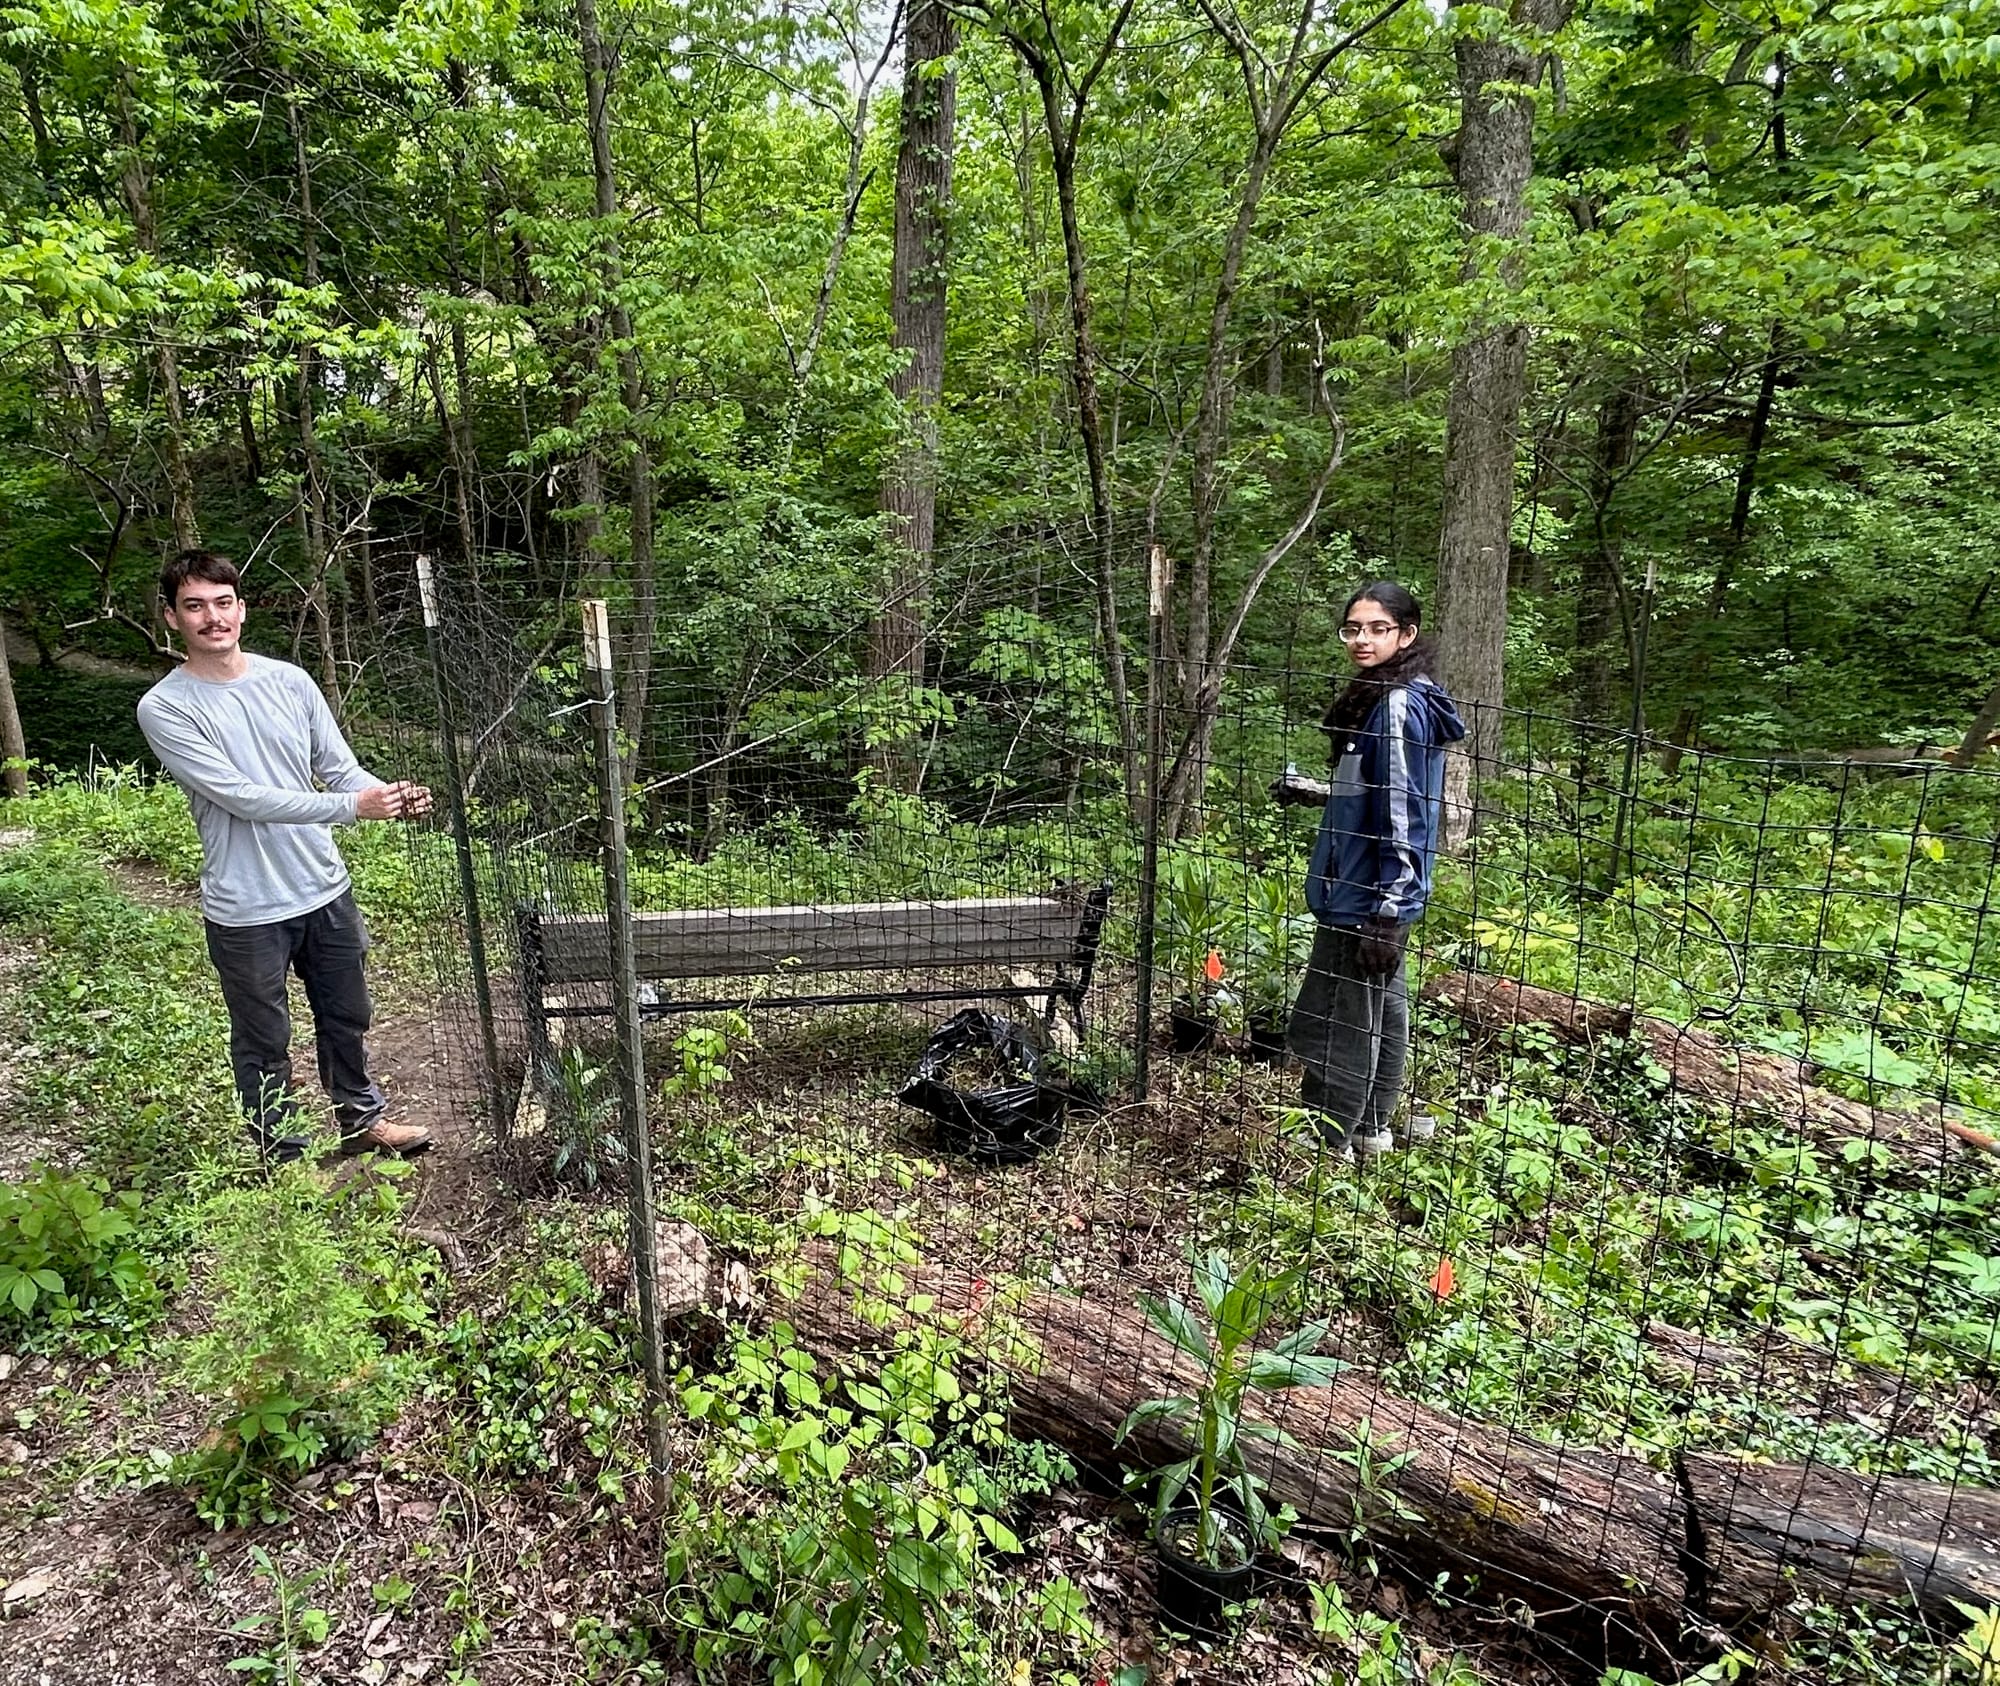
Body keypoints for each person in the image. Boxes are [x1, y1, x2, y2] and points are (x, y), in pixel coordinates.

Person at [136, 549, 434, 1165]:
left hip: (323, 887)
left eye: (223, 603)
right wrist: (353, 809)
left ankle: (362, 1120)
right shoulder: (165, 707)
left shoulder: (290, 681)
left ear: (241, 609)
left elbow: (337, 767)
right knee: (264, 1039)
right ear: (172, 618)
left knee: (347, 1015)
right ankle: (285, 1157)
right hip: (246, 907)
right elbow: (242, 798)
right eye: (194, 606)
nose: (212, 618)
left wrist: (381, 793)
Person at [1278, 582, 1464, 1161]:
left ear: (1406, 634)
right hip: (1372, 887)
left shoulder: (1398, 704)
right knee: (1382, 1005)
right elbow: (1376, 791)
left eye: (1377, 629)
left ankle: (1326, 1144)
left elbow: (1406, 811)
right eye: (1353, 628)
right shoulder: (1387, 693)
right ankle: (1373, 1128)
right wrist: (1315, 793)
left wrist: (1388, 909)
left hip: (1368, 894)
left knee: (1339, 1014)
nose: (1362, 639)